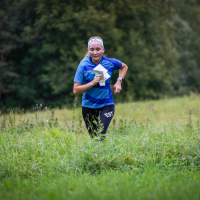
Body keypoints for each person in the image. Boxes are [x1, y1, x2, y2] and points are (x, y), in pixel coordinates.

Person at [73, 36, 128, 140]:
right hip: (88, 105)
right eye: (92, 49)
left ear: (103, 50)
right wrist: (92, 83)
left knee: (100, 134)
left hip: (107, 104)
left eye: (98, 49)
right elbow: (76, 90)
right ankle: (95, 156)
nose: (95, 52)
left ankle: (103, 156)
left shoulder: (110, 62)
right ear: (88, 50)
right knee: (93, 137)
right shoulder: (83, 65)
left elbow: (124, 67)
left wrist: (119, 81)